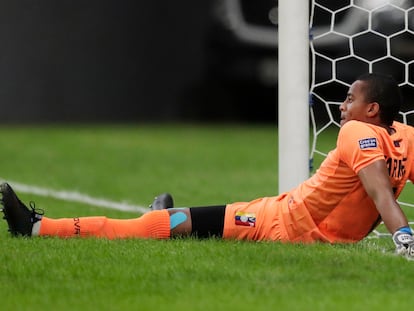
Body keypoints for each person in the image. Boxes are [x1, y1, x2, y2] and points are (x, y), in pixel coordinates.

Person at [2, 73, 414, 259]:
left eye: (349, 100)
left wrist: (405, 240)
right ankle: (165, 215)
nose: (342, 108)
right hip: (294, 218)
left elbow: (379, 191)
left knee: (164, 226)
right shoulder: (407, 139)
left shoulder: (354, 132)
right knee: (181, 224)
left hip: (284, 223)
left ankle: (37, 228)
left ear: (371, 109)